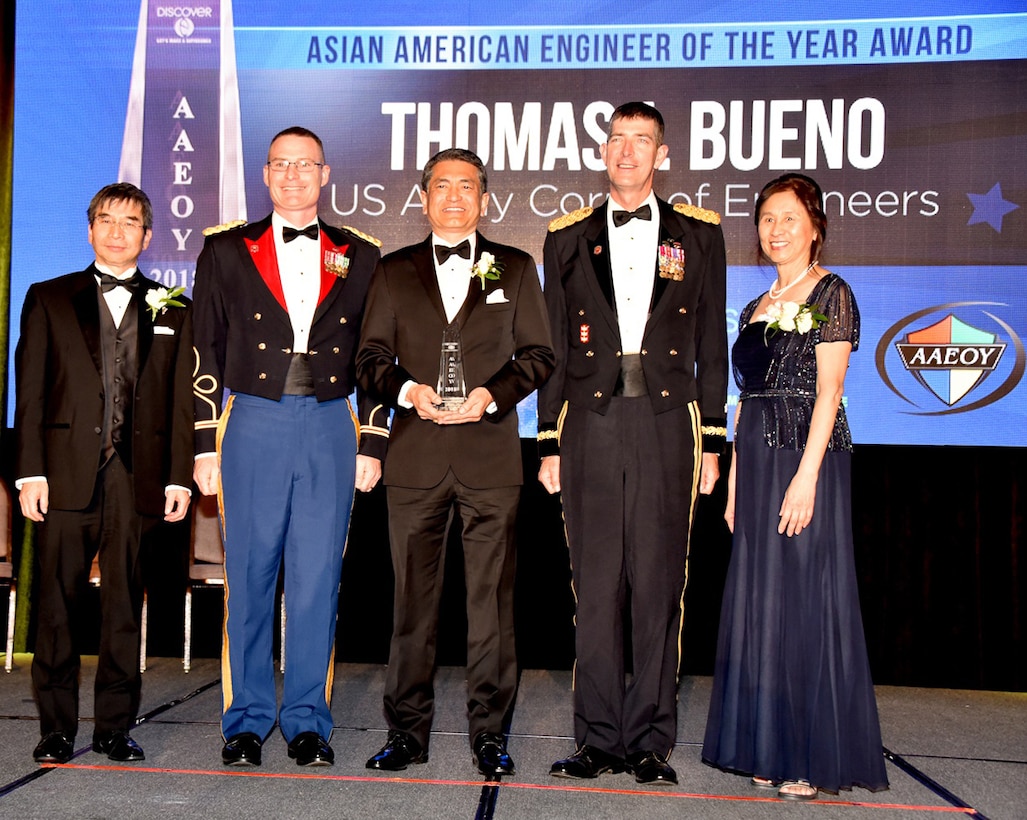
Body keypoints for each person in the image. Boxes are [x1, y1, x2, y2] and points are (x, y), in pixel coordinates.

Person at [538, 102, 728, 785]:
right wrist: (547, 440)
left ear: (661, 155)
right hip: (588, 422)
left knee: (656, 583)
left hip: (665, 421)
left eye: (640, 141)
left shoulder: (699, 235)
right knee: (591, 585)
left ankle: (648, 740)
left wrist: (711, 440)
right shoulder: (564, 237)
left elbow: (710, 342)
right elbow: (554, 345)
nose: (626, 151)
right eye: (617, 139)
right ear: (602, 151)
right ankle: (593, 738)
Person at [192, 126, 385, 768]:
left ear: (326, 175)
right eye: (283, 165)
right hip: (253, 420)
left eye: (307, 165)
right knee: (248, 576)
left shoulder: (362, 253)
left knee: (316, 579)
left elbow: (377, 354)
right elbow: (204, 350)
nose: (295, 175)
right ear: (266, 175)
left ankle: (307, 720)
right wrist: (202, 444)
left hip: (332, 421)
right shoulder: (224, 250)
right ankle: (245, 720)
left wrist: (374, 437)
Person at [357, 148, 554, 778]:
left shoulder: (516, 268)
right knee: (412, 605)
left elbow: (540, 355)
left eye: (466, 187)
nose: (453, 197)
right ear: (423, 197)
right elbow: (370, 360)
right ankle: (405, 734)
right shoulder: (391, 272)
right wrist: (409, 392)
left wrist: (490, 396)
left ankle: (490, 734)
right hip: (414, 459)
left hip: (490, 457)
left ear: (485, 199)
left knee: (492, 606)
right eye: (442, 186)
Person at [701, 173, 888, 801]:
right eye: (766, 220)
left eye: (789, 218)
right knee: (762, 596)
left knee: (807, 594)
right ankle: (767, 743)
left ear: (815, 226)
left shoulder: (833, 292)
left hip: (808, 459)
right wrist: (732, 482)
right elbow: (746, 397)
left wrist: (806, 478)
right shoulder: (757, 304)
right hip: (755, 459)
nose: (775, 230)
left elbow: (830, 392)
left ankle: (808, 754)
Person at [15, 183, 194, 764]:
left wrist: (177, 477)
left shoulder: (174, 306)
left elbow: (180, 401)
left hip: (137, 476)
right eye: (107, 221)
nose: (118, 232)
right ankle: (56, 728)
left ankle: (115, 727)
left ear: (148, 235)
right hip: (63, 474)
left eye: (131, 223)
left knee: (124, 606)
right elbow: (32, 392)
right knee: (57, 606)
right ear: (90, 229)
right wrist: (29, 472)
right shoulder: (48, 297)